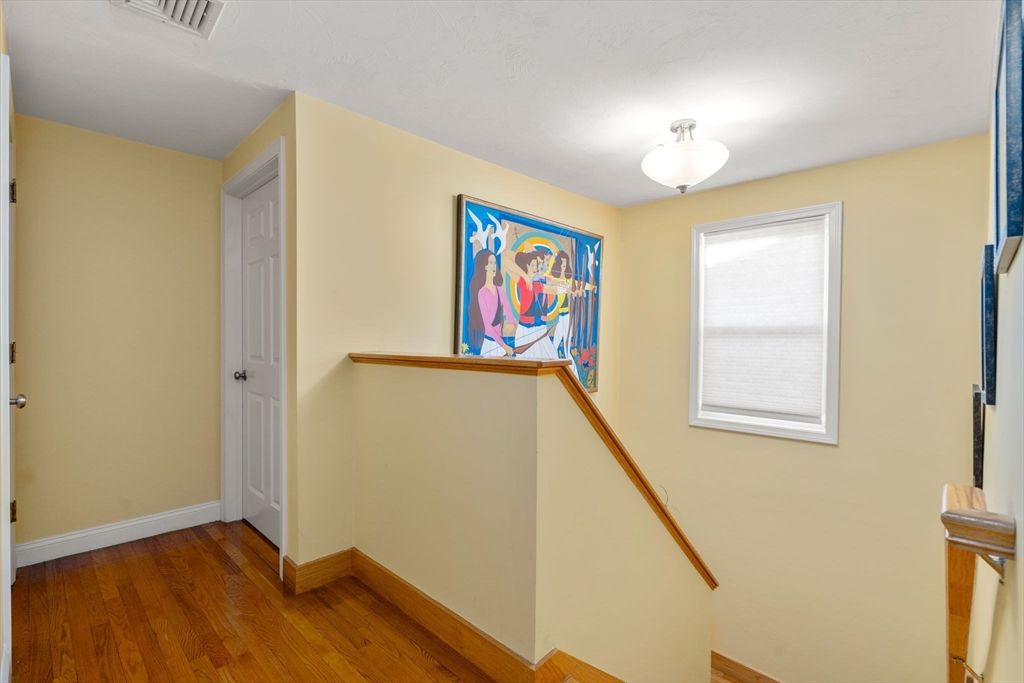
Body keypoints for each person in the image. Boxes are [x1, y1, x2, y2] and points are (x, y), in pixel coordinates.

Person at [468, 250, 514, 356]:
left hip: (500, 344)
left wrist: (510, 325)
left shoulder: (500, 290)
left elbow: (510, 316)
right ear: (485, 267)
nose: (494, 266)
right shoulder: (482, 293)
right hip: (490, 344)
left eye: (495, 263)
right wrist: (505, 346)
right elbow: (488, 327)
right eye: (490, 263)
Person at [513, 250, 558, 359]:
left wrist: (570, 289)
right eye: (534, 265)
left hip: (540, 331)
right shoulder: (524, 282)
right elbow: (506, 259)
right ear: (527, 266)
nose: (537, 268)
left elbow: (556, 287)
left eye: (537, 265)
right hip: (526, 331)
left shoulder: (541, 281)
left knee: (553, 360)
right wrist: (524, 275)